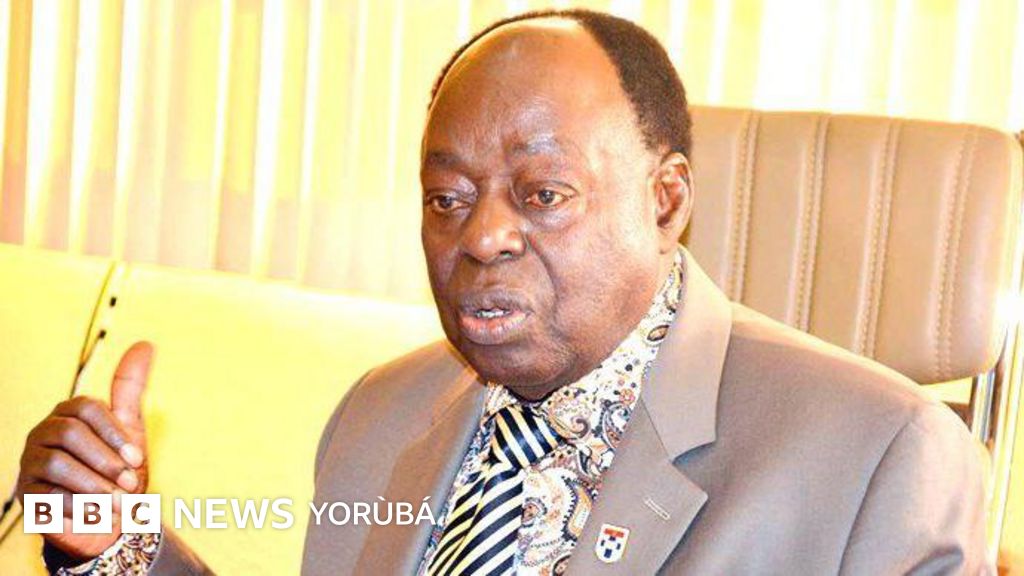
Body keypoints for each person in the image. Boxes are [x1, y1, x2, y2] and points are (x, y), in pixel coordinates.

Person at [17, 9, 989, 575]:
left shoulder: (880, 457)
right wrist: (115, 542)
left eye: (542, 193)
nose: (480, 236)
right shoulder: (380, 414)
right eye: (447, 198)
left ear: (665, 200)